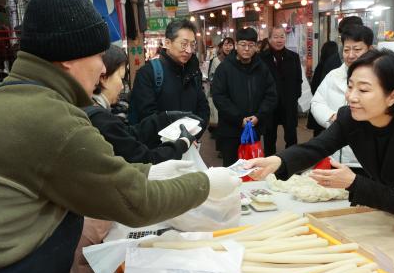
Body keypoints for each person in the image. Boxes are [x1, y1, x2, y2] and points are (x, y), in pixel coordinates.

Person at [0, 0, 239, 273]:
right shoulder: (49, 118)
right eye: (99, 56)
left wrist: (153, 173)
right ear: (68, 58)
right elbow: (137, 203)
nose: (102, 70)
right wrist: (206, 183)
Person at [247, 48, 394, 230]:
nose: (352, 97)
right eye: (350, 86)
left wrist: (352, 182)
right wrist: (278, 161)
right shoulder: (351, 118)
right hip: (392, 215)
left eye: (363, 90)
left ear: (393, 96)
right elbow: (318, 146)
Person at [59, 45, 198, 273]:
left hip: (86, 223)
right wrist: (180, 147)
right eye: (120, 77)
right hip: (86, 227)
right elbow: (139, 156)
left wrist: (163, 118)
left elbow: (128, 134)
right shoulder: (93, 117)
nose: (122, 85)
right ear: (101, 76)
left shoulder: (95, 112)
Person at [127, 19, 210, 135]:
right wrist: (176, 140)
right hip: (159, 149)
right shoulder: (148, 73)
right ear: (167, 43)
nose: (189, 50)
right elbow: (147, 116)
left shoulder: (194, 73)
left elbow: (203, 109)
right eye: (184, 44)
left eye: (192, 45)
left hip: (190, 143)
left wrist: (194, 135)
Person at [211, 27, 277, 166]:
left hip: (254, 129)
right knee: (231, 170)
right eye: (243, 44)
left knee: (253, 169)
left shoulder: (262, 68)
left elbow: (271, 95)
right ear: (236, 45)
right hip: (231, 130)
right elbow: (219, 97)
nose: (246, 49)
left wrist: (259, 116)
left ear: (256, 47)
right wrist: (238, 118)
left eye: (251, 45)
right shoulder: (225, 68)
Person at [310, 26, 373, 169]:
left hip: (364, 158)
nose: (350, 55)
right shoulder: (333, 75)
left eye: (357, 50)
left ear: (369, 48)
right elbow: (317, 102)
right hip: (335, 153)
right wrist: (331, 116)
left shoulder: (378, 77)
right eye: (346, 50)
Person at [260, 26, 303, 156]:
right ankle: (269, 162)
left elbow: (298, 80)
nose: (279, 40)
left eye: (282, 36)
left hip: (289, 104)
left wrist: (295, 96)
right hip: (269, 105)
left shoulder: (294, 57)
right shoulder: (261, 58)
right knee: (269, 137)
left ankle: (292, 161)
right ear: (269, 39)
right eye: (276, 37)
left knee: (291, 136)